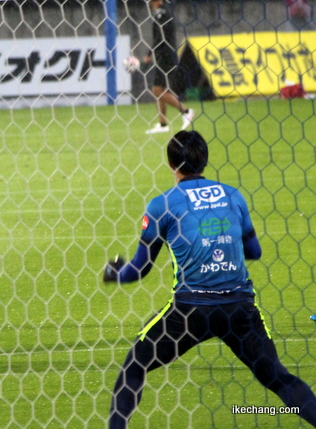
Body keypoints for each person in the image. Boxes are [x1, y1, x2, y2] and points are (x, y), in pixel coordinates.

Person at [103, 131, 316, 428]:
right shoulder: (232, 195)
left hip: (190, 310)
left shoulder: (161, 205)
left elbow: (139, 270)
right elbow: (254, 251)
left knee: (134, 368)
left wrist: (115, 273)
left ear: (170, 164)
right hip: (239, 309)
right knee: (280, 379)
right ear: (204, 160)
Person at [144, 0, 194, 134]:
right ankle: (162, 124)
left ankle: (186, 111)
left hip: (165, 57)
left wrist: (149, 54)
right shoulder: (163, 13)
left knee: (157, 91)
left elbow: (160, 38)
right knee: (158, 89)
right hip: (164, 56)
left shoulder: (161, 15)